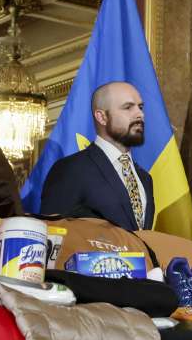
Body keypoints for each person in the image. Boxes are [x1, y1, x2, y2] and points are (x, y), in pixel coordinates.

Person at [40, 81, 154, 231]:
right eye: (128, 107)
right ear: (102, 117)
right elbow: (53, 234)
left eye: (140, 107)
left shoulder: (145, 178)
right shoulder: (71, 169)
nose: (140, 114)